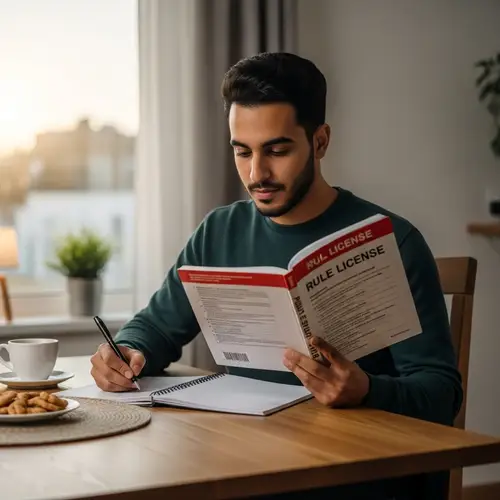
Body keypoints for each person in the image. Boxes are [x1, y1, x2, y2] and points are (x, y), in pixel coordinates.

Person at [90, 52, 461, 499]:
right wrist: (127, 351)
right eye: (242, 152)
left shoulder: (392, 241)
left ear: (320, 142)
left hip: (356, 475)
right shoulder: (219, 232)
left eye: (277, 150)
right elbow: (155, 327)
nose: (256, 173)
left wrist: (365, 390)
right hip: (252, 464)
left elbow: (440, 395)